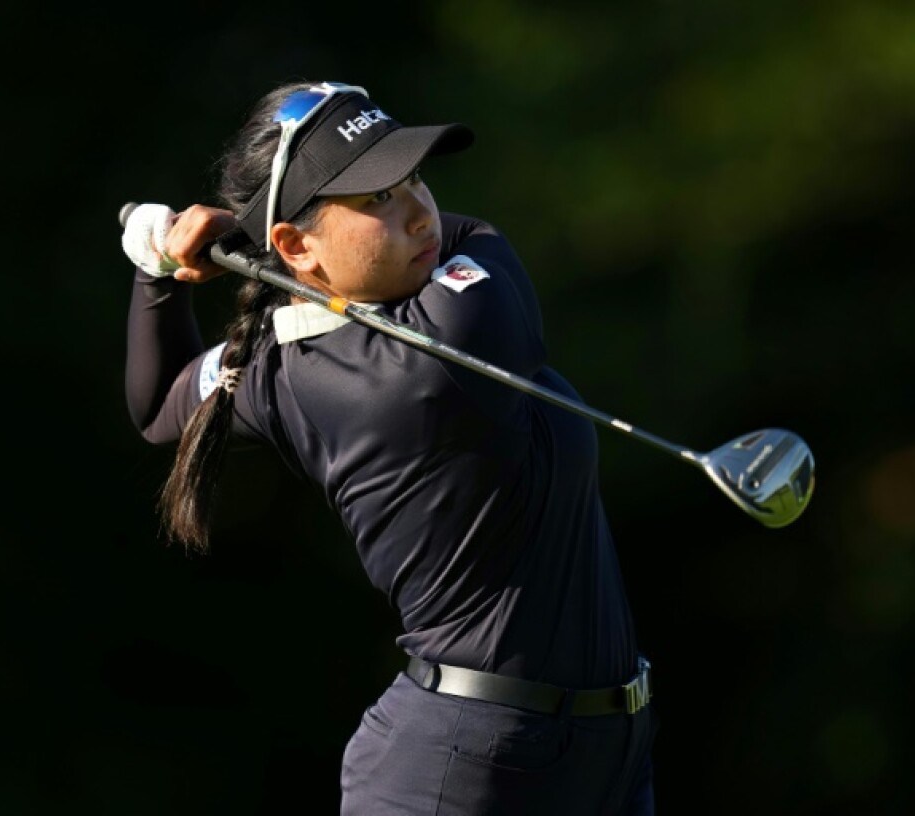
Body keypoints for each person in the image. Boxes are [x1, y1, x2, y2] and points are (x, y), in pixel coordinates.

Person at [120, 78, 659, 815]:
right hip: (471, 769)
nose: (418, 214)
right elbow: (479, 237)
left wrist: (158, 276)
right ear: (294, 245)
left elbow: (160, 403)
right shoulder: (450, 344)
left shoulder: (277, 364)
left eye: (413, 181)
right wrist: (240, 240)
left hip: (598, 754)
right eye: (376, 199)